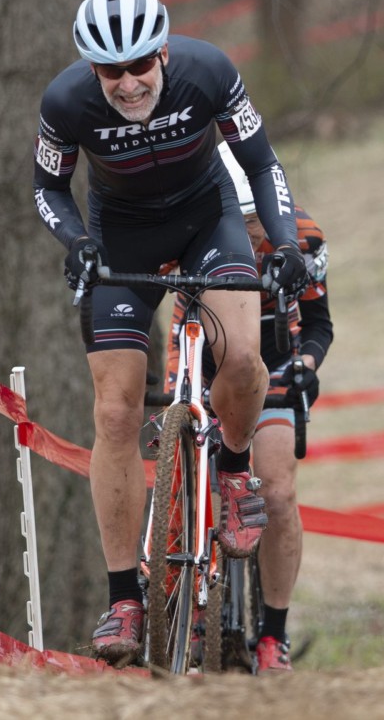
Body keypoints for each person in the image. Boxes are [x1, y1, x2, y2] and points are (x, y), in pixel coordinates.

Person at [32, 0, 309, 668]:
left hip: (205, 220)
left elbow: (260, 161)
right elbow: (47, 187)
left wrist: (288, 246)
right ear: (91, 69)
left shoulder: (209, 71)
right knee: (117, 412)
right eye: (110, 70)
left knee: (244, 357)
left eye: (139, 65)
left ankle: (235, 472)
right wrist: (76, 242)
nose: (126, 83)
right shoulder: (66, 102)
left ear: (162, 50)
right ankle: (125, 594)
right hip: (120, 235)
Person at [163, 144, 332, 672]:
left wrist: (306, 363)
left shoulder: (302, 236)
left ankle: (272, 636)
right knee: (177, 482)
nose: (251, 233)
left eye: (258, 217)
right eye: (238, 219)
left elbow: (320, 323)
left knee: (277, 493)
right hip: (202, 362)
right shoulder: (189, 230)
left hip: (277, 361)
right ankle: (182, 609)